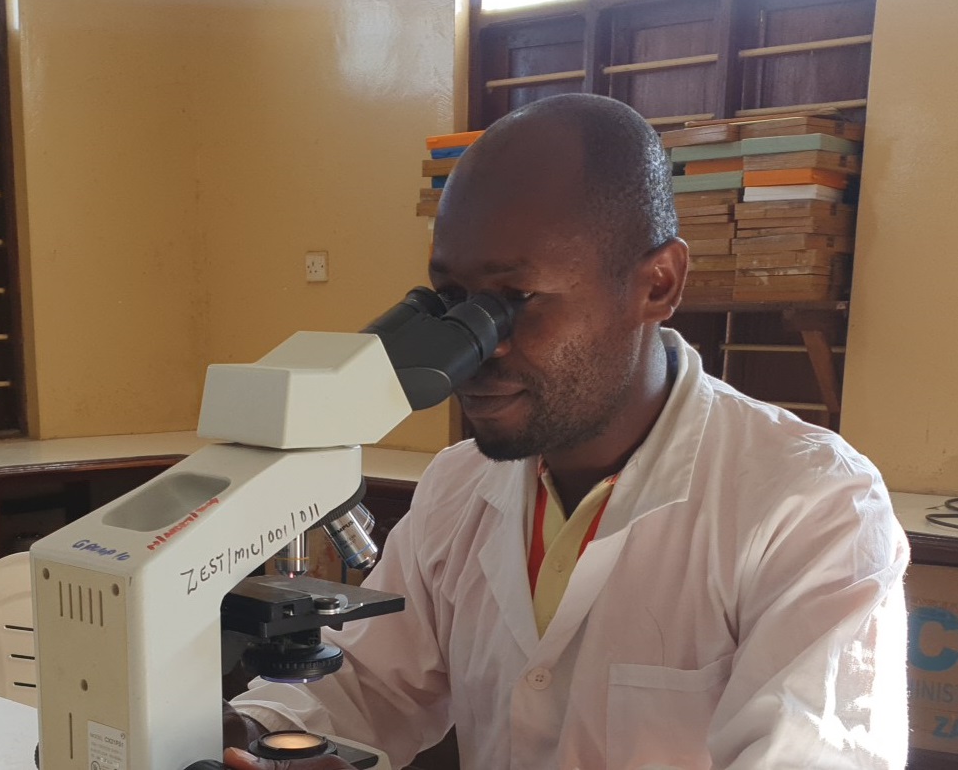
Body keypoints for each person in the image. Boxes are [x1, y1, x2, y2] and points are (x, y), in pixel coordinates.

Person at [224, 93, 910, 769]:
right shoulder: (458, 485)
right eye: (452, 303)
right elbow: (366, 688)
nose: (475, 348)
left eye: (512, 300)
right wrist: (241, 734)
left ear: (658, 285)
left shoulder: (811, 507)